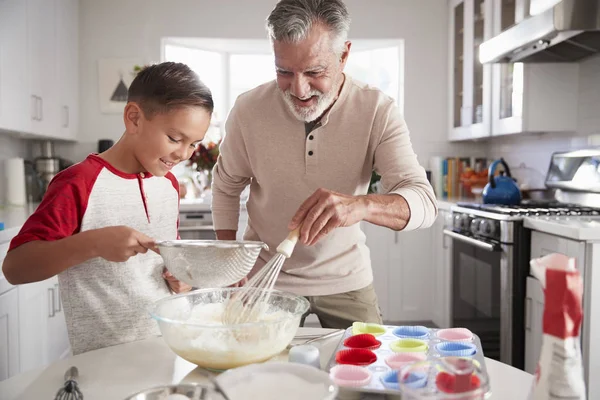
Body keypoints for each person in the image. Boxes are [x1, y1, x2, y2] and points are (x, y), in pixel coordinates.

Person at [211, 0, 438, 329]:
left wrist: (359, 206)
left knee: (365, 375)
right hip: (267, 275)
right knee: (259, 374)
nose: (299, 89)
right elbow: (226, 186)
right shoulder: (249, 110)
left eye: (314, 72)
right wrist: (230, 262)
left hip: (346, 278)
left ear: (344, 55)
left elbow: (424, 202)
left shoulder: (377, 109)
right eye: (284, 72)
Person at [2, 62, 213, 354]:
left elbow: (160, 268)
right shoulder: (78, 182)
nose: (183, 154)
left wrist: (180, 279)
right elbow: (15, 267)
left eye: (193, 144)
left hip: (166, 348)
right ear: (134, 118)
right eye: (175, 139)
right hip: (102, 361)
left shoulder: (168, 186)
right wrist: (94, 243)